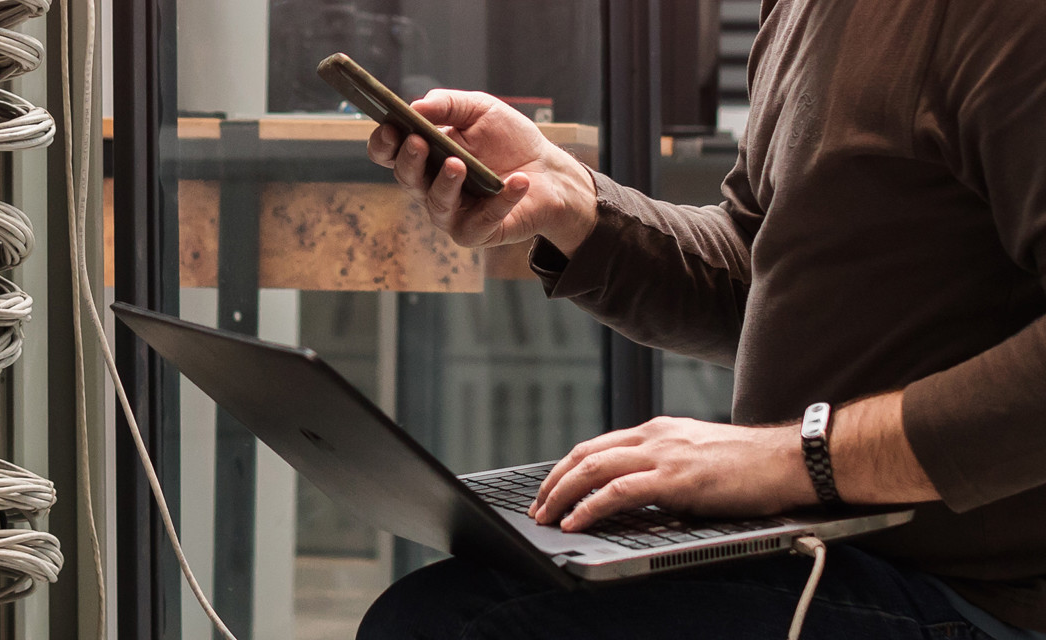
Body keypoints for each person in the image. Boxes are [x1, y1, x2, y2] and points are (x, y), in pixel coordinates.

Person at [357, 1, 1046, 638]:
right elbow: (765, 265)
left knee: (452, 623)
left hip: (979, 599)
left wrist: (795, 459)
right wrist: (579, 207)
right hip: (820, 544)